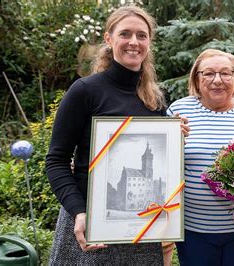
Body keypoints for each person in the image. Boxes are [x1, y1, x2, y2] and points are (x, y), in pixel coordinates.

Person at [46, 6, 188, 265]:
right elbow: (56, 160)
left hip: (142, 234)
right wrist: (78, 211)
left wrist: (176, 136)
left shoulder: (154, 99)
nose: (134, 42)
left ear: (149, 42)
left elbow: (167, 162)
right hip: (89, 228)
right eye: (125, 34)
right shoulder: (85, 91)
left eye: (142, 35)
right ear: (109, 39)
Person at [166, 49, 234, 266]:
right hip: (194, 230)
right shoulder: (179, 110)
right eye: (209, 74)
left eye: (226, 73)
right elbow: (164, 164)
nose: (217, 80)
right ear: (197, 78)